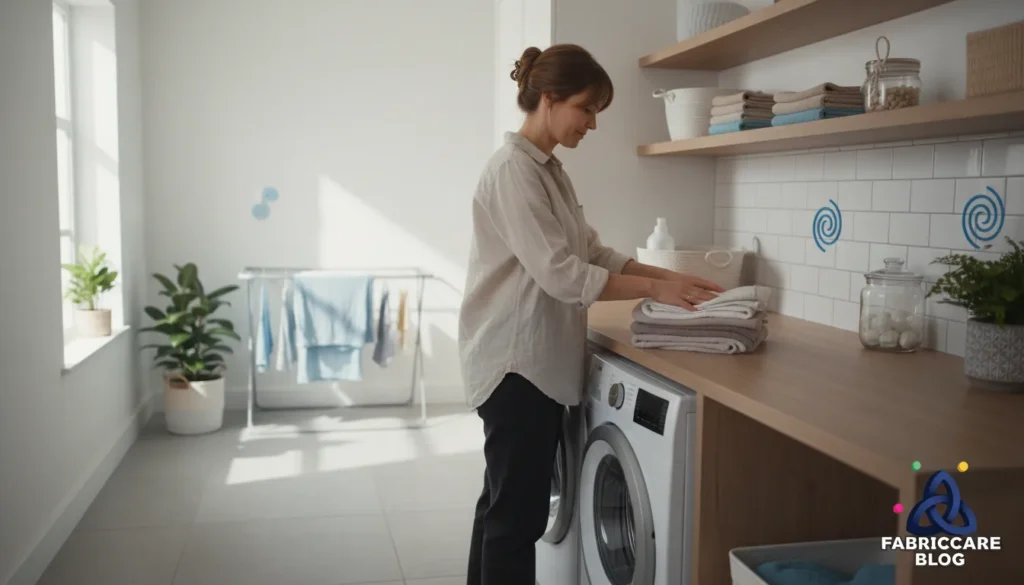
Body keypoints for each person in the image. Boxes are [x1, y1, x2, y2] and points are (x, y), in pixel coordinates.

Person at [458, 44, 725, 585]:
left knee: (501, 507)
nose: (594, 123)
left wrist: (672, 280)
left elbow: (591, 253)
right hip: (516, 365)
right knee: (516, 518)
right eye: (587, 107)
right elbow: (564, 274)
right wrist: (655, 289)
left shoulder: (548, 170)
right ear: (550, 99)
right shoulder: (514, 171)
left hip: (532, 364)